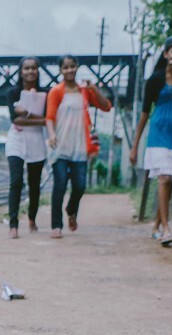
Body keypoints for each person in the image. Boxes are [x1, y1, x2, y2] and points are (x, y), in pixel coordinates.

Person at [129, 35, 172, 246]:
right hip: (159, 132)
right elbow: (143, 114)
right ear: (166, 54)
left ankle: (156, 225)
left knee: (169, 182)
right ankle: (166, 229)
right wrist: (135, 146)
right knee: (164, 178)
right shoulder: (155, 79)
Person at [45, 55, 112, 239]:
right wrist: (51, 134)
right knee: (59, 185)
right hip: (60, 145)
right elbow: (49, 117)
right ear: (60, 70)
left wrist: (94, 89)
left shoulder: (84, 91)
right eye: (65, 67)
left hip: (80, 146)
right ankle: (56, 225)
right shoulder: (56, 92)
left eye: (72, 66)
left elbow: (106, 106)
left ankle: (71, 209)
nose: (69, 70)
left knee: (80, 185)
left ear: (77, 67)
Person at [5, 57, 48, 238]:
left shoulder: (46, 93)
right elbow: (15, 119)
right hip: (16, 140)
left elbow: (48, 119)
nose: (30, 72)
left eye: (33, 68)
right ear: (21, 71)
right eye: (27, 68)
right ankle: (13, 224)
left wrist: (27, 114)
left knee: (34, 184)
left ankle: (32, 218)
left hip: (36, 140)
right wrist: (37, 118)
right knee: (16, 182)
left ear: (38, 71)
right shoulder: (13, 93)